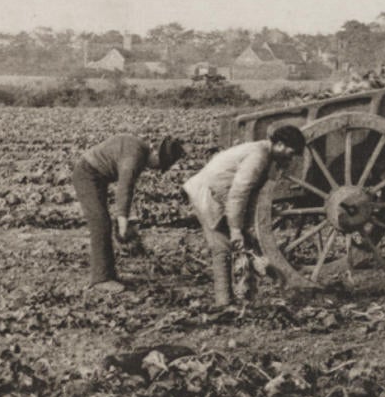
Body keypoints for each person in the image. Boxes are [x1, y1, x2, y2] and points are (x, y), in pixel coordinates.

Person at [182, 124, 306, 309]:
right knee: (222, 247)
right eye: (291, 151)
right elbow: (239, 193)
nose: (291, 156)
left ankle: (263, 292)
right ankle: (224, 303)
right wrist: (235, 229)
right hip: (207, 194)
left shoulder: (266, 153)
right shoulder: (258, 156)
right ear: (280, 144)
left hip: (220, 193)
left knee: (249, 247)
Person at [71, 133, 185, 293]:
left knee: (104, 223)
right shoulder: (135, 156)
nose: (154, 169)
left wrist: (125, 218)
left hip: (97, 176)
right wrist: (122, 221)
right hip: (86, 175)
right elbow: (125, 188)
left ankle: (109, 274)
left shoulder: (139, 149)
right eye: (158, 165)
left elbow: (129, 189)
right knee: (101, 224)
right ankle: (101, 279)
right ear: (156, 154)